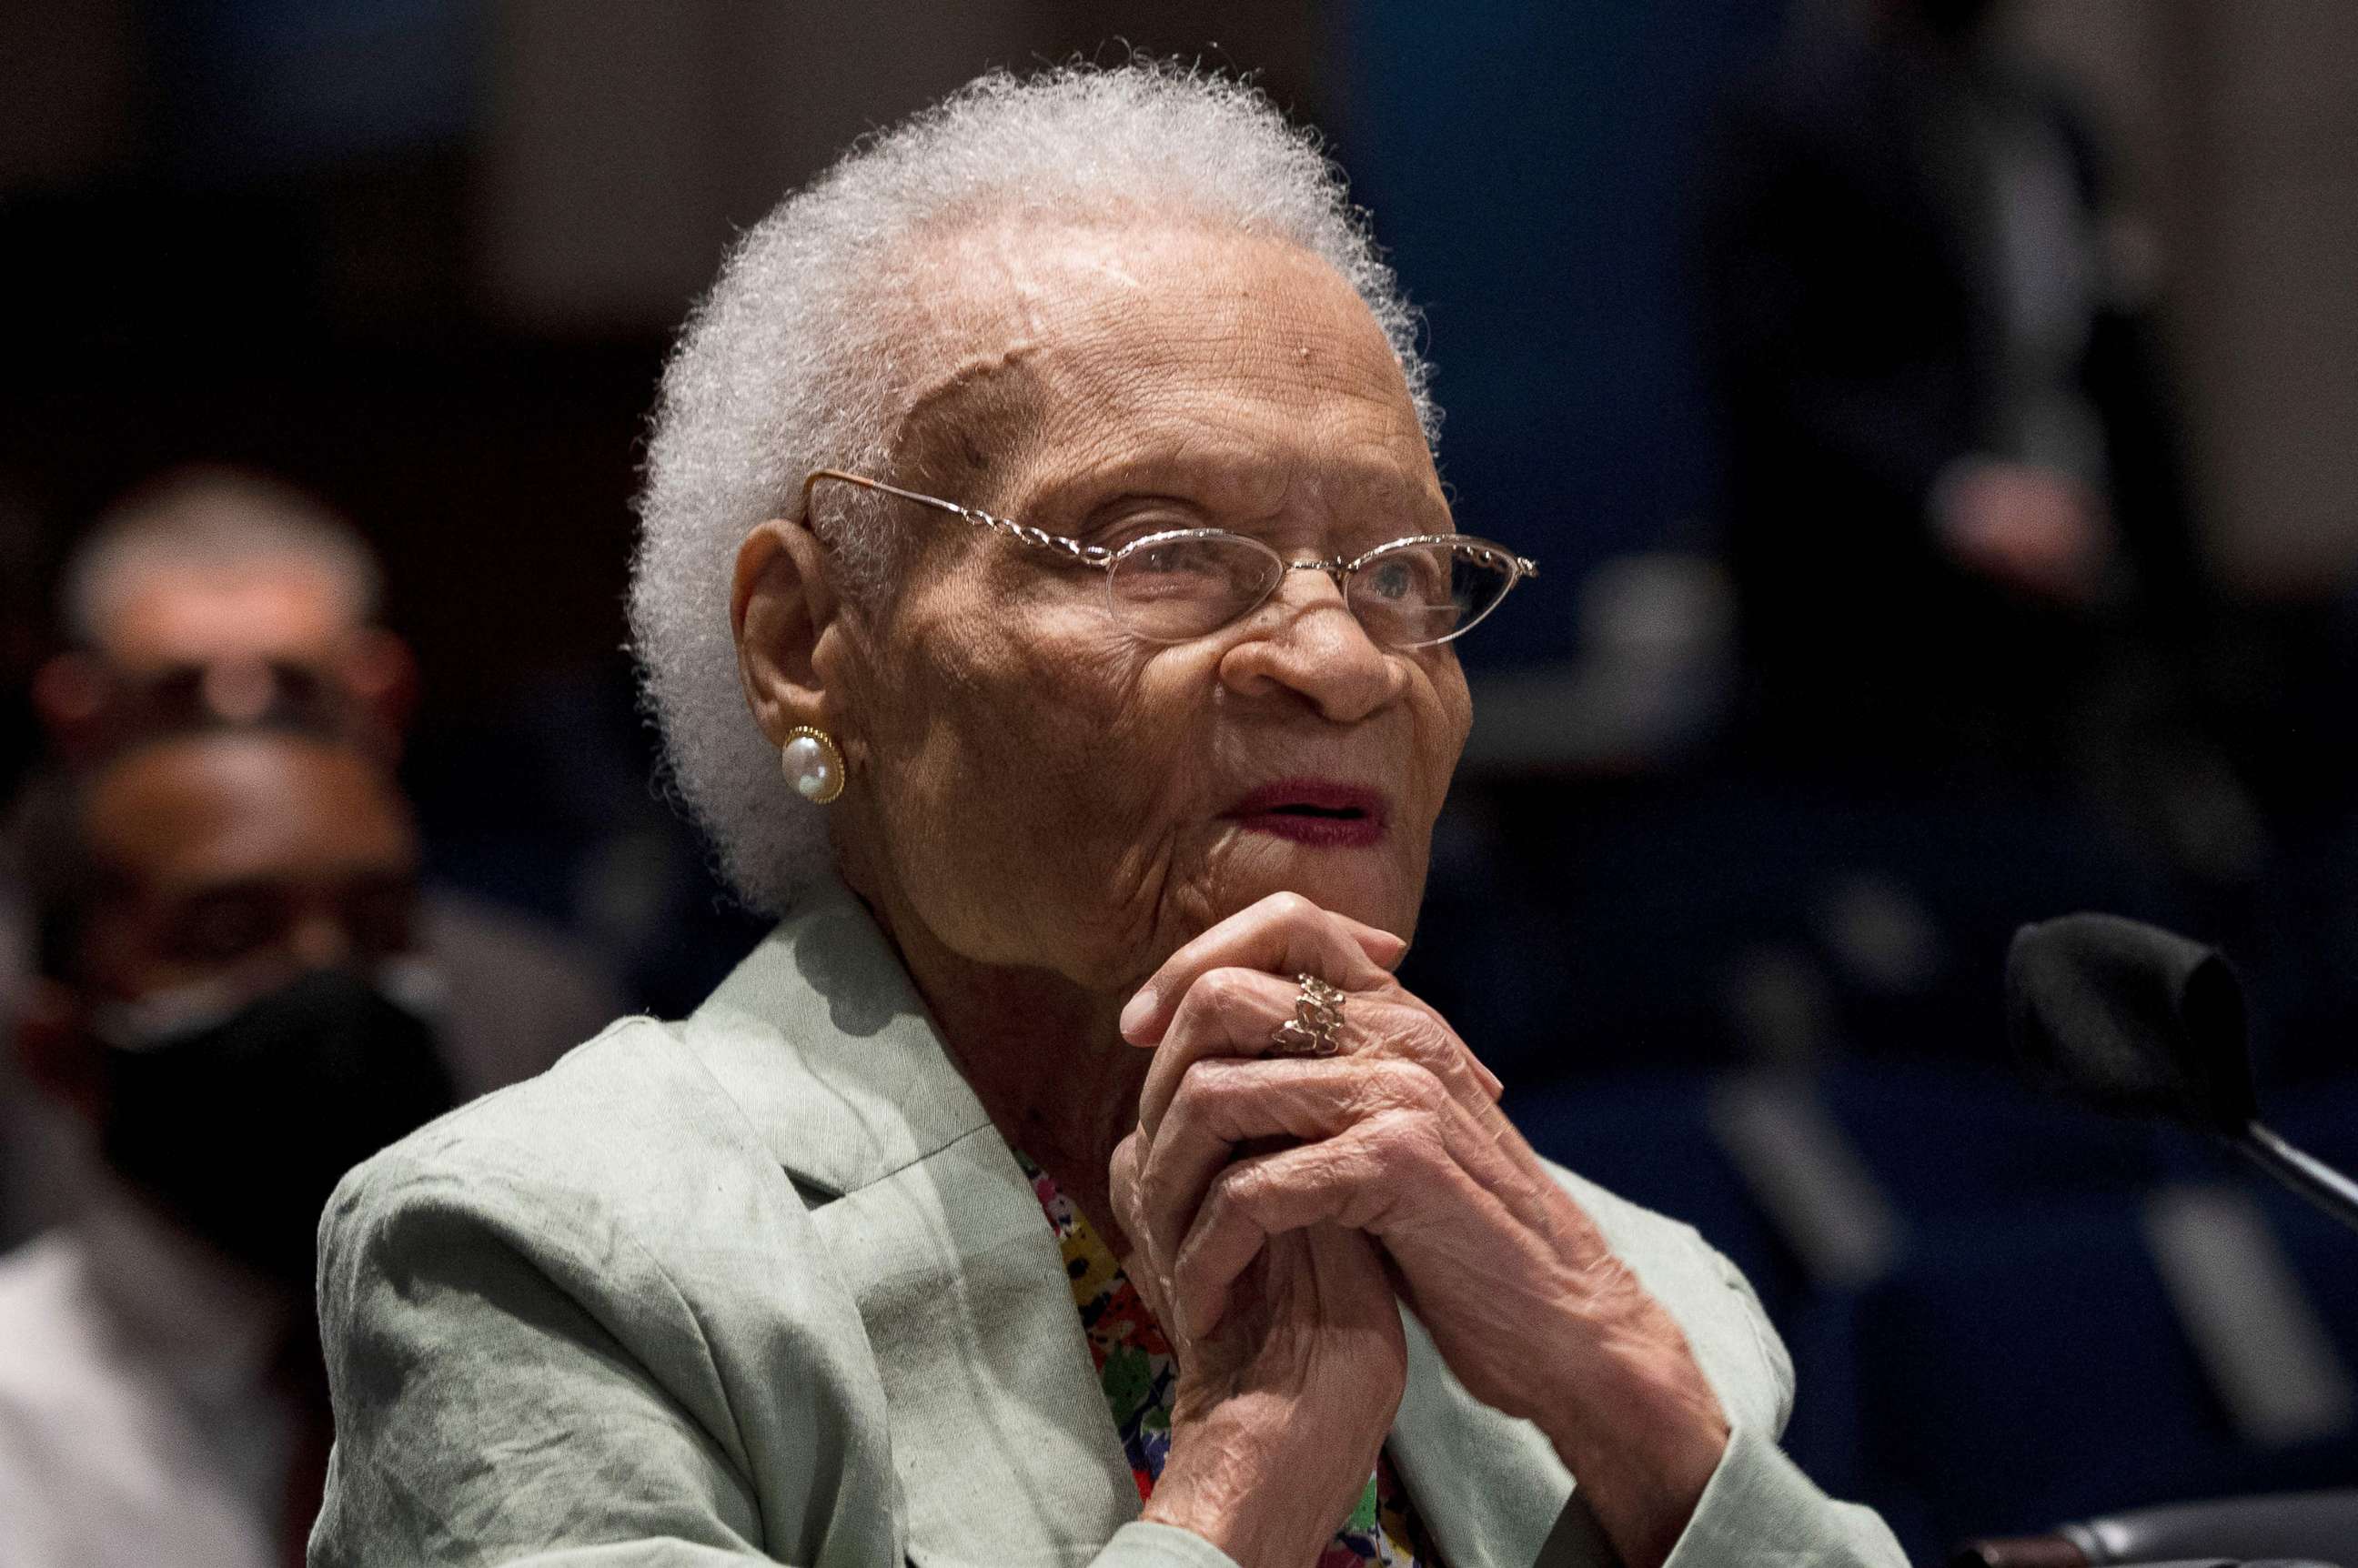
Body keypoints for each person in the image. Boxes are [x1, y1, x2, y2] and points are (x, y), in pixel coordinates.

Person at [314, 65, 1905, 1568]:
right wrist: (1236, 1485)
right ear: (809, 643)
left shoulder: (1648, 1301)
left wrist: (1626, 1398)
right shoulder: (559, 1252)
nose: (1343, 660)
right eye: (1158, 547)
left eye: (1401, 570)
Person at [0, 467, 619, 1244]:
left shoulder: (537, 1008)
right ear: (80, 716)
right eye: (178, 696)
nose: (240, 730)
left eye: (292, 690)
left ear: (376, 699)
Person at [1698, 0, 2216, 797]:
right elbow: (1772, 378)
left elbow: (2122, 363)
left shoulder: (2049, 123)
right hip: (1874, 628)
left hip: (2073, 614)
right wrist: (1957, 495)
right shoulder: (1791, 117)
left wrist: (2183, 601)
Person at [0, 723, 458, 1568]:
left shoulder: (549, 1344)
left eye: (378, 923)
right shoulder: (13, 1411)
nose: (328, 976)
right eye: (229, 936)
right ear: (57, 1052)